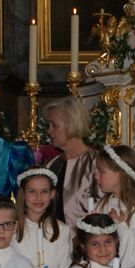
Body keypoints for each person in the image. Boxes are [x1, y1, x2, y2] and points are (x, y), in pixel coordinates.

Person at [96, 144, 135, 268]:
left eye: (101, 171)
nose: (96, 176)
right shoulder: (101, 205)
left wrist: (120, 227)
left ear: (120, 174)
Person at [44, 96, 100, 230]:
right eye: (48, 125)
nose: (49, 131)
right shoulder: (51, 164)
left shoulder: (97, 162)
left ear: (71, 124)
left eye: (54, 125)